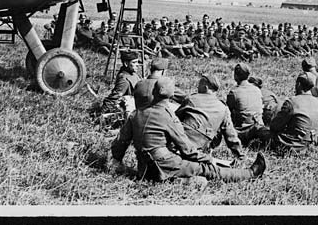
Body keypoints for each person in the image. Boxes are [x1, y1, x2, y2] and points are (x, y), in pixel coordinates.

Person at [110, 77, 266, 182]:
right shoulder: (169, 117)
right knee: (208, 170)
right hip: (163, 166)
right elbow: (187, 150)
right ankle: (250, 174)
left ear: (154, 92)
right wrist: (208, 159)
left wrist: (117, 162)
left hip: (142, 167)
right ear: (171, 96)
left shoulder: (136, 113)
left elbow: (120, 143)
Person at [266, 71, 318, 154]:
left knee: (260, 131)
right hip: (310, 146)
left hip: (288, 146)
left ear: (299, 84)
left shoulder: (292, 102)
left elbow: (275, 126)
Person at [175, 74, 245, 159]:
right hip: (200, 147)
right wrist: (240, 155)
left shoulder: (191, 99)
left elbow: (175, 118)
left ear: (206, 87)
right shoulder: (223, 108)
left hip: (179, 142)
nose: (197, 88)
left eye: (199, 85)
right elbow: (231, 135)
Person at [226, 63, 265, 144]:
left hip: (243, 131)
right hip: (259, 126)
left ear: (235, 76)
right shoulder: (257, 90)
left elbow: (227, 113)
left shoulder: (234, 92)